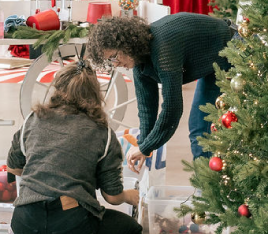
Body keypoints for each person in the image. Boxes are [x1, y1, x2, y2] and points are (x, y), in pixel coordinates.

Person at [7, 61, 141, 234]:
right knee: (132, 229)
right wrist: (129, 196)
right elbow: (112, 196)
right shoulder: (103, 133)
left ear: (56, 89)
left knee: (39, 196)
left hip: (24, 226)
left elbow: (14, 168)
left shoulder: (32, 119)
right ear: (94, 95)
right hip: (71, 232)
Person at [87, 14, 235, 171]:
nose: (116, 64)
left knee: (202, 130)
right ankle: (208, 186)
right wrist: (143, 144)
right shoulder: (139, 61)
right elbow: (146, 109)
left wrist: (145, 148)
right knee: (200, 130)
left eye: (114, 57)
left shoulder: (163, 48)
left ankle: (207, 188)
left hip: (234, 49)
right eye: (110, 61)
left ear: (126, 44)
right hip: (214, 63)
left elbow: (172, 108)